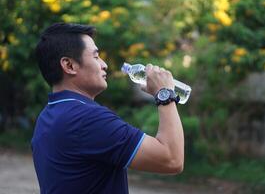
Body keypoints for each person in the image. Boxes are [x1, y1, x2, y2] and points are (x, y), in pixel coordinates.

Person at [31, 22, 184, 194]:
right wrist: (165, 94)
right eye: (96, 57)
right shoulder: (87, 119)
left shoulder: (48, 115)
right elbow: (171, 159)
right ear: (69, 66)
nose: (104, 64)